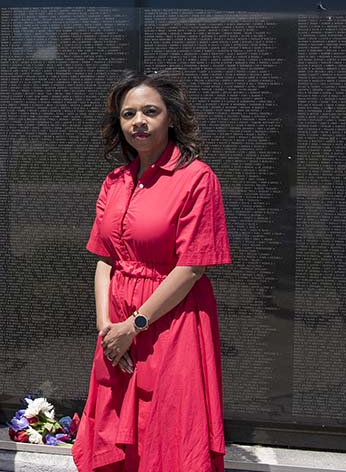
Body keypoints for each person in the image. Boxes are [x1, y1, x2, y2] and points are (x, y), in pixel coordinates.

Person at [73, 70, 230, 472]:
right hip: (117, 330)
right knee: (112, 436)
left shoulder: (197, 179)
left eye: (149, 111)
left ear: (171, 118)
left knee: (166, 435)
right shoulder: (115, 181)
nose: (138, 121)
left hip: (169, 326)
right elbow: (105, 259)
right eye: (128, 114)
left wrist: (134, 325)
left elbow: (192, 267)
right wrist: (107, 328)